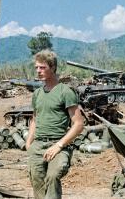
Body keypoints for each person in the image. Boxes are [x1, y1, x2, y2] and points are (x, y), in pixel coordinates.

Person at [26, 50, 84, 199]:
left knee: (52, 176)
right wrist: (29, 142)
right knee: (37, 182)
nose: (38, 71)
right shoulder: (37, 93)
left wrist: (59, 145)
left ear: (53, 68)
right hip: (37, 145)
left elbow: (78, 124)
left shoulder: (65, 92)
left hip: (58, 145)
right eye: (37, 67)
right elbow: (35, 118)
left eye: (42, 67)